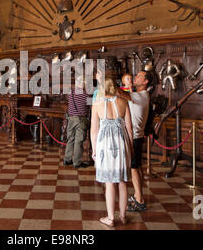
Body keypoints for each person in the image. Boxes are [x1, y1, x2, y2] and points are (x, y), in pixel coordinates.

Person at [91, 76, 134, 227]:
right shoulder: (123, 102)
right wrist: (131, 147)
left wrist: (94, 150)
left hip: (104, 145)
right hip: (122, 144)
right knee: (122, 181)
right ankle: (122, 216)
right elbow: (129, 129)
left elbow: (94, 131)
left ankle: (110, 218)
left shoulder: (96, 104)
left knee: (109, 182)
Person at [120, 71, 151, 212]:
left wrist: (105, 80)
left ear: (146, 82)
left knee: (133, 168)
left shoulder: (141, 96)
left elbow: (121, 93)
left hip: (135, 137)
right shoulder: (139, 95)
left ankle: (140, 201)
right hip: (137, 136)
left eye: (139, 76)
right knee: (137, 167)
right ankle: (139, 194)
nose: (135, 78)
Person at [64, 75, 90, 169]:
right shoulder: (86, 94)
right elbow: (90, 106)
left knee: (70, 139)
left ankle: (67, 160)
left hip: (70, 119)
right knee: (78, 141)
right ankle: (76, 162)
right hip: (81, 120)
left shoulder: (70, 93)